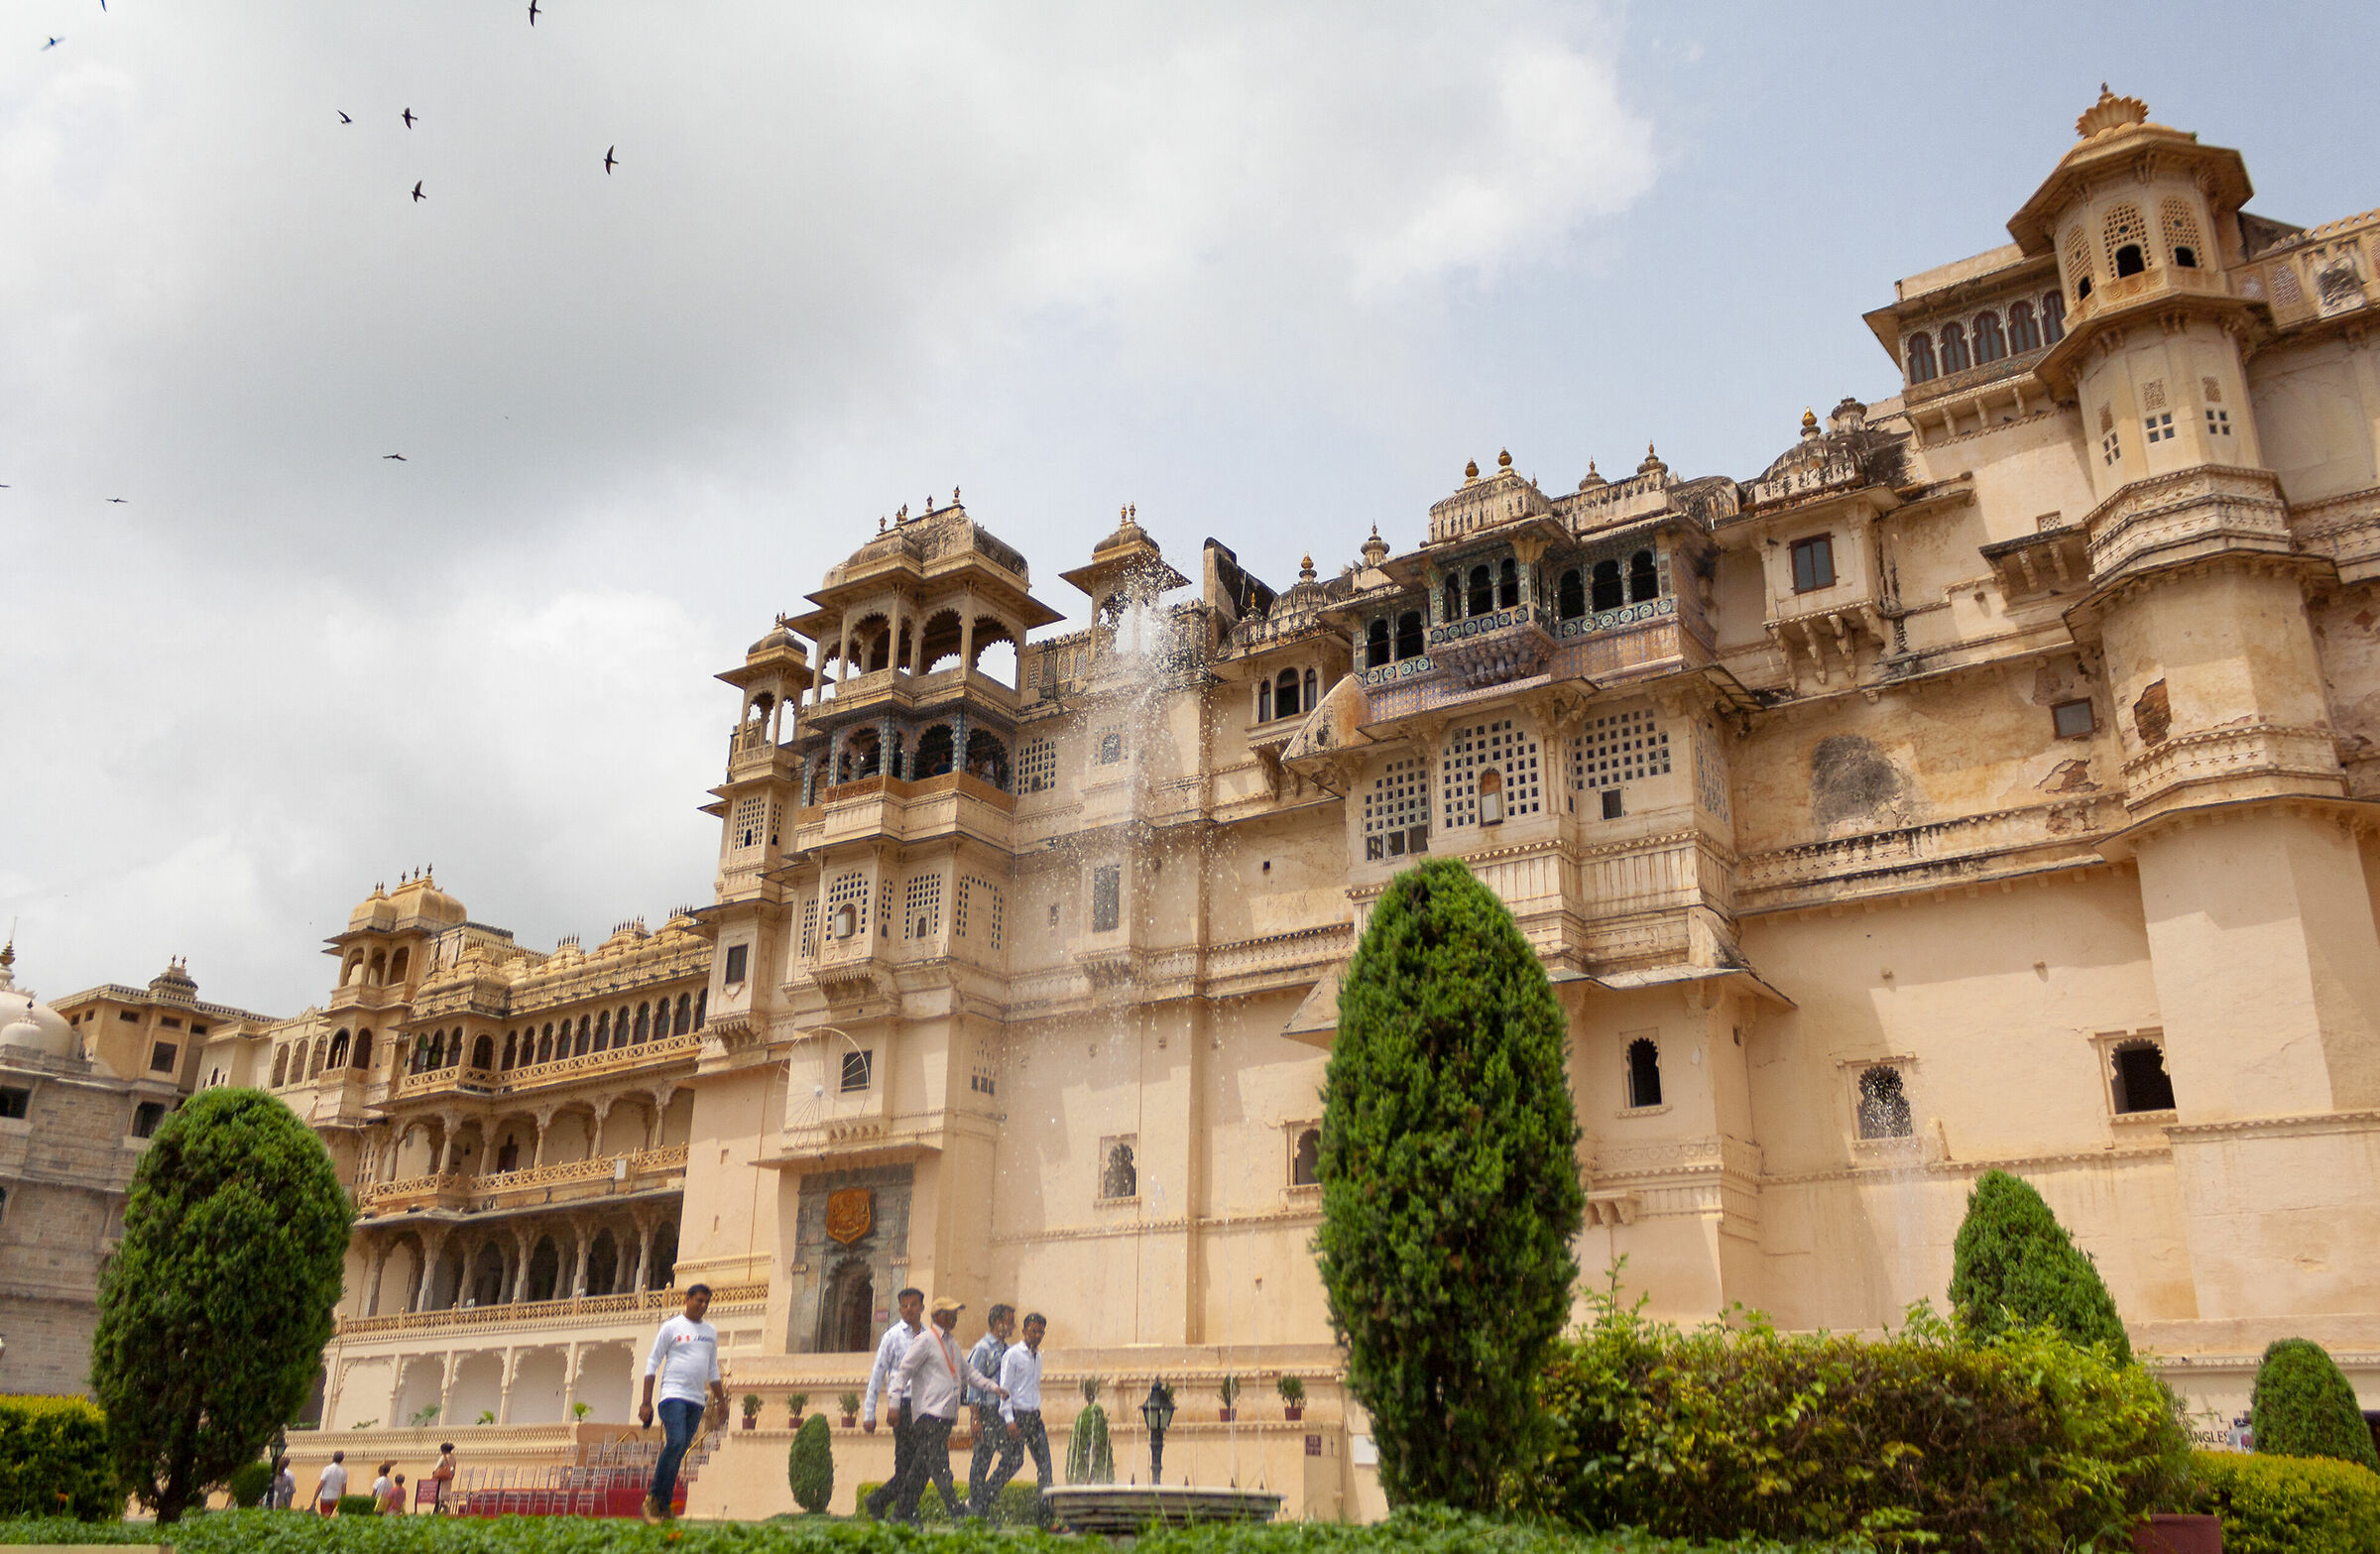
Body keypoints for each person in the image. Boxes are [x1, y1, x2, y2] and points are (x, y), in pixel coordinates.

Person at [887, 1296, 1006, 1526]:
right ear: (937, 1315)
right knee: (942, 1470)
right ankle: (959, 1515)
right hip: (928, 1416)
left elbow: (968, 1372)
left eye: (956, 1312)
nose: (955, 1317)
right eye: (951, 1312)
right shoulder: (925, 1341)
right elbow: (902, 1372)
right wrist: (893, 1404)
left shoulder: (951, 1343)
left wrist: (994, 1387)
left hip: (944, 1418)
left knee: (920, 1471)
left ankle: (900, 1514)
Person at [637, 1282, 726, 1524]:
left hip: (696, 1400)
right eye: (699, 1300)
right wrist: (646, 1402)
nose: (703, 1305)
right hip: (672, 1395)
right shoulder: (671, 1327)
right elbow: (652, 1362)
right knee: (675, 1441)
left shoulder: (710, 1331)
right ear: (687, 1299)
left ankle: (663, 1505)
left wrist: (722, 1402)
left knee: (679, 1451)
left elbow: (712, 1369)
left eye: (707, 1302)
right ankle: (653, 1498)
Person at [976, 1311, 1053, 1518]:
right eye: (1033, 1330)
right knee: (1013, 1462)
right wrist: (1009, 1420)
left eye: (1040, 1332)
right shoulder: (1013, 1355)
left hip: (1034, 1417)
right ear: (1024, 1331)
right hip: (1016, 1417)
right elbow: (1005, 1389)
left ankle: (1046, 1517)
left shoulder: (1038, 1357)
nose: (1036, 1335)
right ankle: (980, 1503)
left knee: (1045, 1467)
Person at [859, 1287, 926, 1520]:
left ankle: (882, 1502)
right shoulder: (893, 1336)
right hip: (902, 1407)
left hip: (925, 1409)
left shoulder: (928, 1337)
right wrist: (869, 1413)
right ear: (899, 1308)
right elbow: (878, 1374)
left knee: (922, 1465)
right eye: (905, 1305)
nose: (909, 1309)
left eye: (914, 1305)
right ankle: (903, 1513)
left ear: (922, 1308)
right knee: (908, 1465)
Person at [963, 1303, 1016, 1518]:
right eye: (1009, 1320)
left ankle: (979, 1502)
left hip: (1001, 1411)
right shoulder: (983, 1348)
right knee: (983, 1458)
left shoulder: (1006, 1350)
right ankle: (978, 1506)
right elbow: (973, 1382)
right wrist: (975, 1417)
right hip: (986, 1411)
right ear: (997, 1322)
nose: (1012, 1325)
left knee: (1010, 1457)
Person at [311, 1450, 347, 1514]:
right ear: (341, 1460)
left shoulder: (327, 1469)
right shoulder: (343, 1472)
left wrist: (314, 1499)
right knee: (328, 1515)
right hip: (336, 1498)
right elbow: (344, 1489)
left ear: (333, 1458)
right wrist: (343, 1501)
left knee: (325, 1518)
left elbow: (321, 1485)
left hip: (326, 1497)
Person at [431, 1442, 455, 1511]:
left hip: (441, 1480)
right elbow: (452, 1469)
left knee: (439, 1497)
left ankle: (441, 1510)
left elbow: (436, 1469)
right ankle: (443, 1509)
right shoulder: (453, 1458)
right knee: (444, 1497)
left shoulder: (443, 1457)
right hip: (449, 1479)